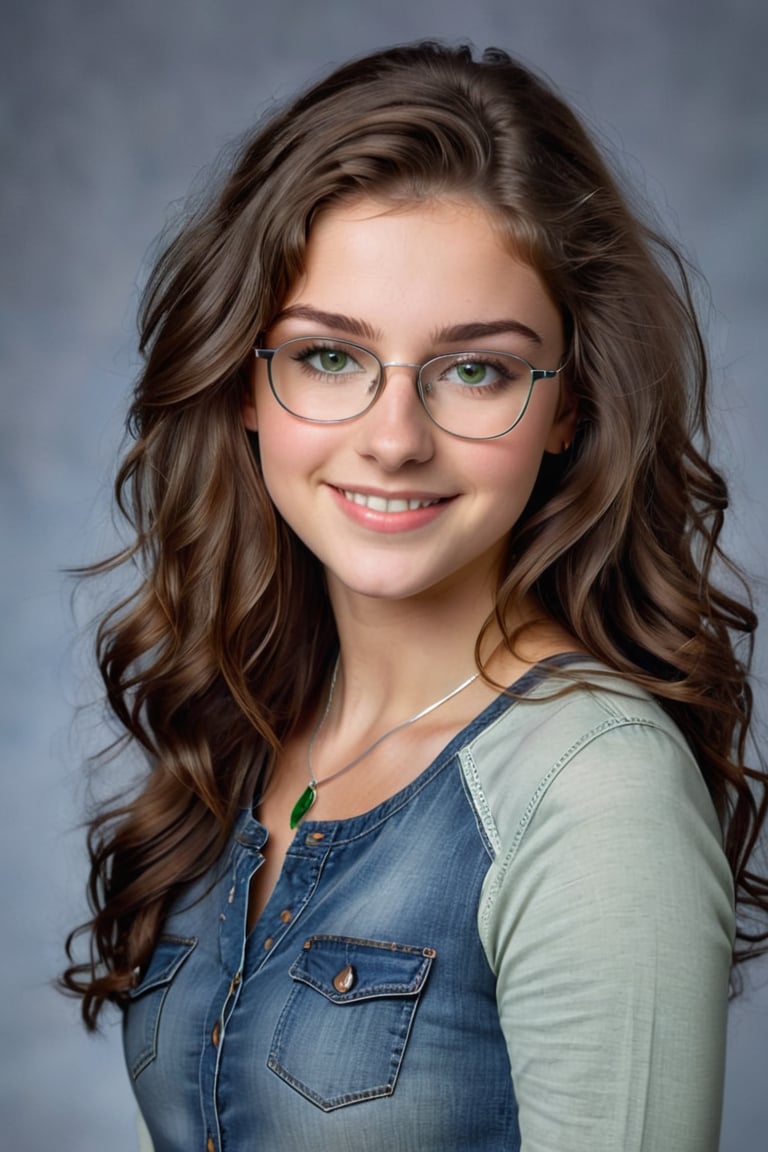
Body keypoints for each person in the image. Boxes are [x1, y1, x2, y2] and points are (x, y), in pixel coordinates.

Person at [62, 41, 768, 1152]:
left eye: (475, 369)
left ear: (570, 407)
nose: (394, 440)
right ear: (247, 384)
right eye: (331, 358)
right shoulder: (253, 732)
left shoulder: (595, 788)